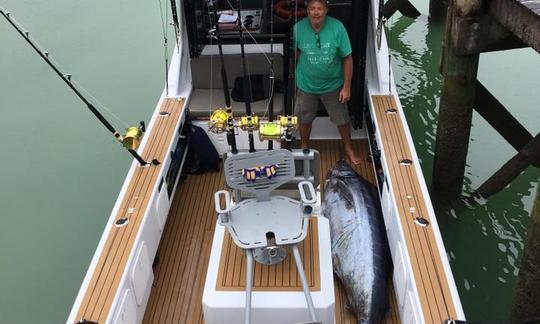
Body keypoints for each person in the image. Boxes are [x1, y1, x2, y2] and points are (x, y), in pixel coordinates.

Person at [293, 0, 361, 165]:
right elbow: (296, 53)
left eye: (319, 9)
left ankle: (349, 148)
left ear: (326, 10)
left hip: (333, 85)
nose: (316, 13)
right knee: (304, 119)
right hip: (306, 84)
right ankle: (304, 146)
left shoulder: (338, 28)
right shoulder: (297, 28)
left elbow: (347, 58)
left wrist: (346, 87)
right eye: (312, 9)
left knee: (342, 119)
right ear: (307, 11)